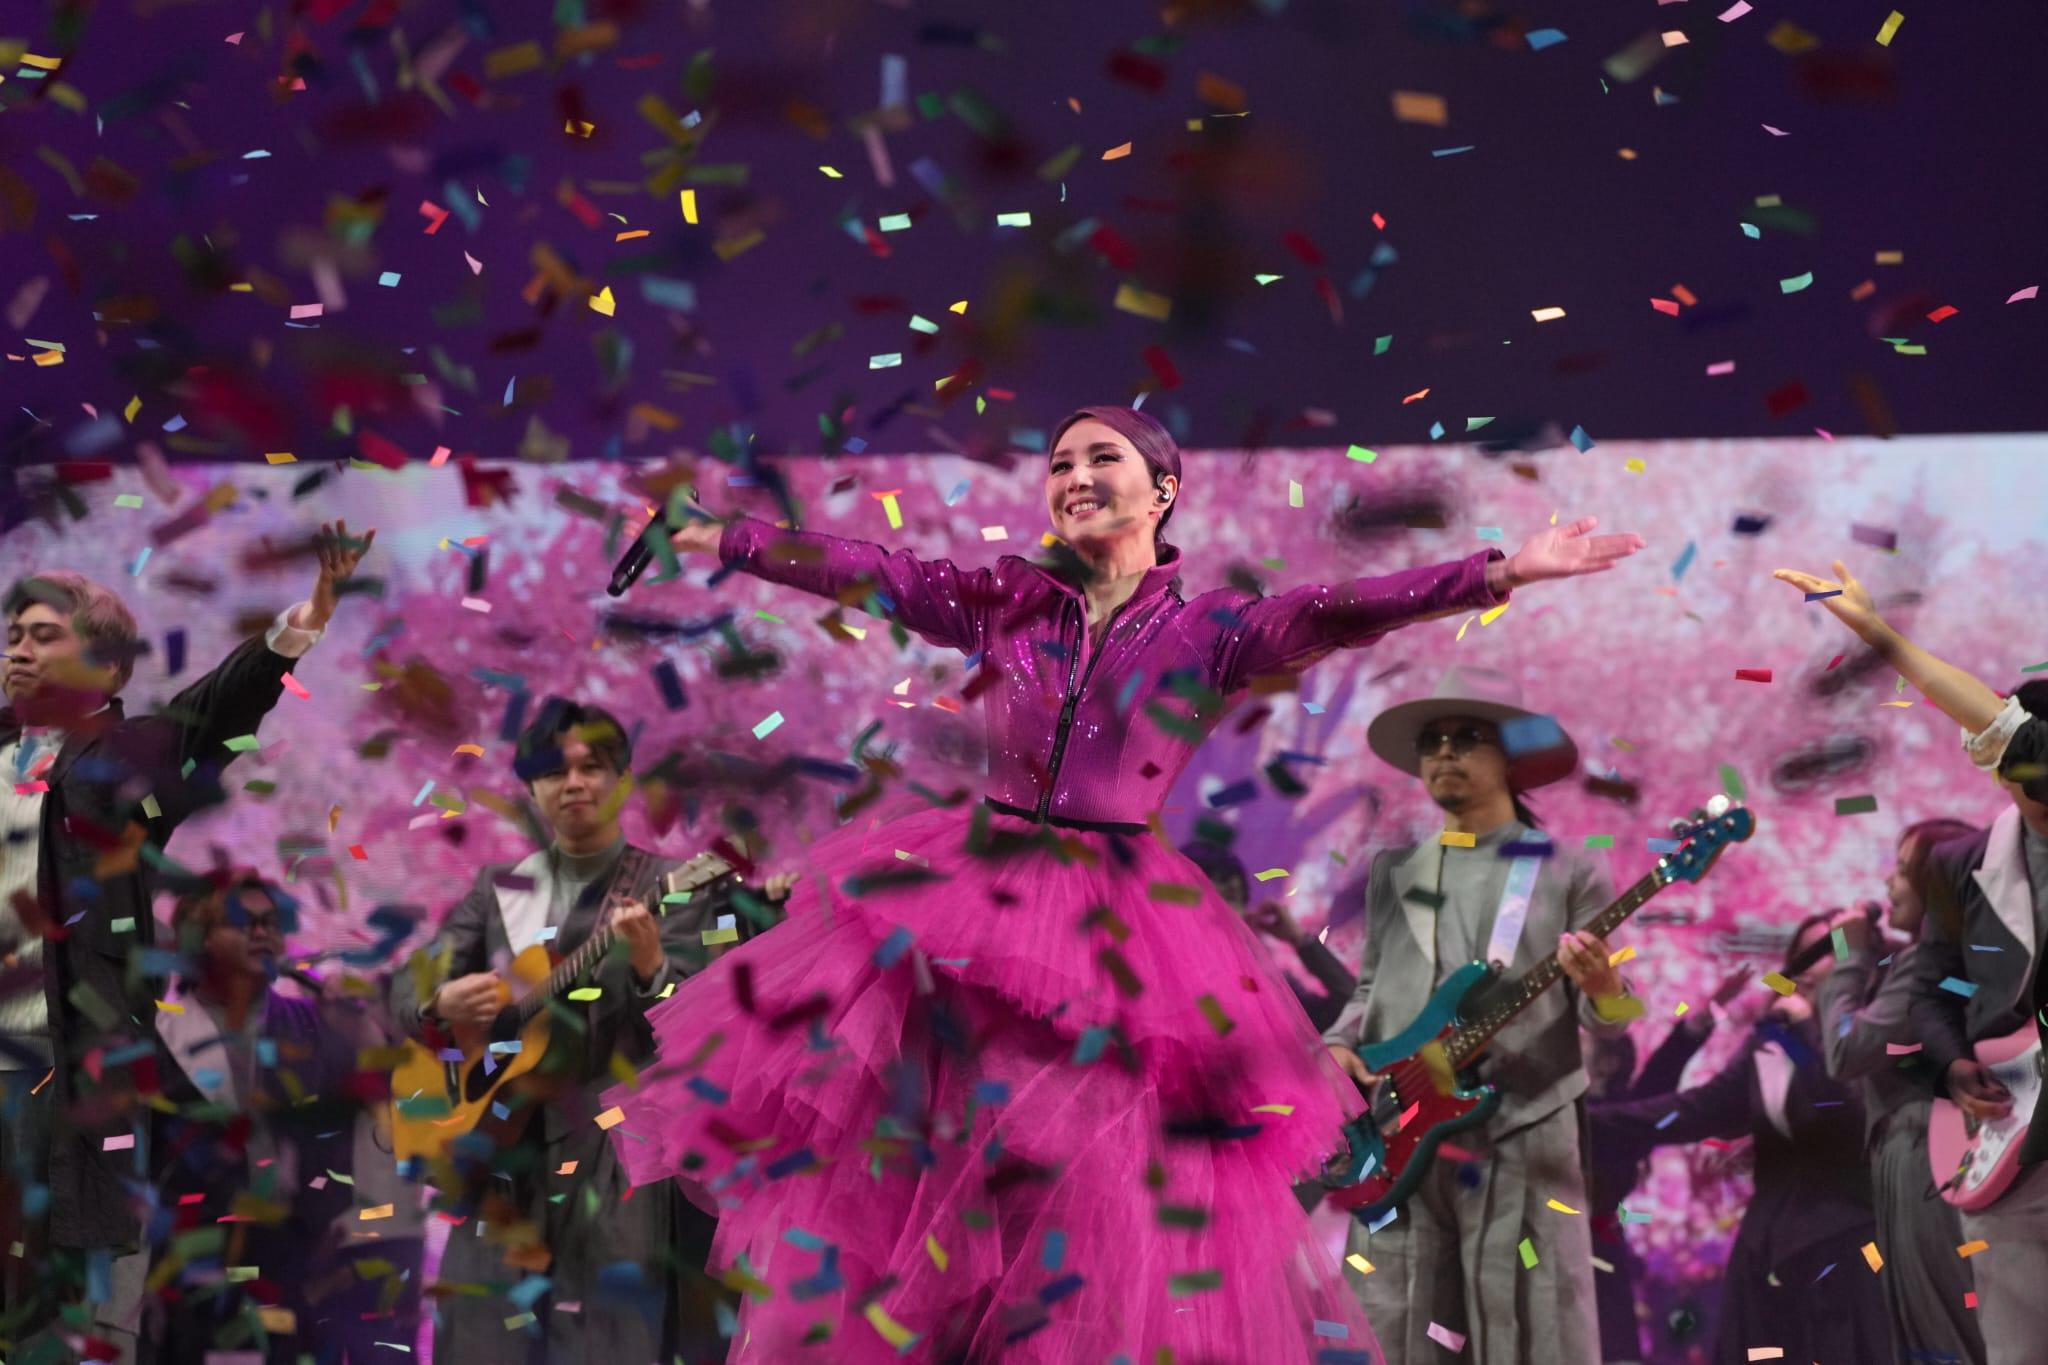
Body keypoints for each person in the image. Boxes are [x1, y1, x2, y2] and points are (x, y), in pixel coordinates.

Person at [599, 404, 1643, 1362]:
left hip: (1113, 936)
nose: (1075, 477)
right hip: (968, 909)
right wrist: (719, 535)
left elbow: (1341, 609)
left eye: (1103, 458)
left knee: (1075, 1202)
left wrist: (1501, 571)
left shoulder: (1210, 632)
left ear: (1162, 490)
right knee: (911, 1174)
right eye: (1060, 464)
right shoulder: (1003, 600)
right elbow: (865, 568)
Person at [1, 523, 372, 1358]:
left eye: (44, 635)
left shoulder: (128, 760)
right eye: (13, 634)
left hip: (68, 1073)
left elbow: (220, 706)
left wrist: (309, 615)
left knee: (68, 1315)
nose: (18, 648)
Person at [388, 698, 767, 1365]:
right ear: (531, 787)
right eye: (554, 771)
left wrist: (651, 966)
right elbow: (406, 989)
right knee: (480, 1341)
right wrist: (440, 999)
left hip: (614, 1154)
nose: (574, 783)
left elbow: (707, 1022)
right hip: (499, 1157)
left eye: (592, 767)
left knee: (611, 1344)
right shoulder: (501, 888)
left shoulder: (670, 885)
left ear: (621, 780)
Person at [1320, 667, 1641, 1365]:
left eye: (1467, 736)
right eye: (1432, 740)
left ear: (1510, 757)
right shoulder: (1394, 870)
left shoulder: (1569, 869)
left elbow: (1611, 1018)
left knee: (1531, 1326)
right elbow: (1372, 987)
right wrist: (1342, 1043)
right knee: (1389, 1321)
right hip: (1400, 1127)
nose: (1444, 751)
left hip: (1523, 1128)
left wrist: (1606, 984)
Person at [1773, 560, 2047, 1365]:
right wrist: (1953, 1061)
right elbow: (1931, 987)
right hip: (2001, 1139)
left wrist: (1883, 637)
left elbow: (1852, 1044)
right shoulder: (1967, 864)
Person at [1593, 914, 1890, 1365]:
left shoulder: (1874, 1033)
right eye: (1801, 955)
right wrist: (1581, 1122)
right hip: (1768, 1247)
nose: (1807, 967)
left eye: (1828, 951)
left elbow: (1849, 1117)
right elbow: (1697, 1109)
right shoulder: (1772, 1038)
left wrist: (1805, 1033)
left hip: (1843, 1251)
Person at [147, 872, 414, 1364]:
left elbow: (383, 1102)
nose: (262, 933)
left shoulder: (313, 1024)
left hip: (297, 1266)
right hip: (193, 1264)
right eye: (242, 922)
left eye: (270, 922)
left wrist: (360, 1030)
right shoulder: (160, 1033)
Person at [1814, 824, 1985, 1365]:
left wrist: (1848, 956)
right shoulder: (1961, 957)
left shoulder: (1928, 965)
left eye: (1904, 870)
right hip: (1932, 1154)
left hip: (1924, 1157)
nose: (1889, 882)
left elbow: (1848, 1051)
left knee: (1940, 1336)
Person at [1585, 966, 1747, 1365]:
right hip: (1542, 1246)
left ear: (1607, 1062)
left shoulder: (1618, 1120)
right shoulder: (1548, 1116)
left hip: (1597, 1255)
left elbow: (1660, 1080)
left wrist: (1705, 1014)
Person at [1181, 840, 1354, 1031]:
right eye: (1214, 879)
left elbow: (1349, 1006)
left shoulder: (1266, 978)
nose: (1231, 885)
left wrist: (1299, 939)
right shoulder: (1183, 979)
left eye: (1231, 879)